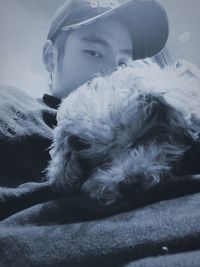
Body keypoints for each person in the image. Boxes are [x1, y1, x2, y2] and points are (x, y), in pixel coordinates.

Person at [0, 0, 169, 215]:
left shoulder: (154, 118)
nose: (113, 72)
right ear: (50, 57)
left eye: (123, 62)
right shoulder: (11, 110)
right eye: (94, 53)